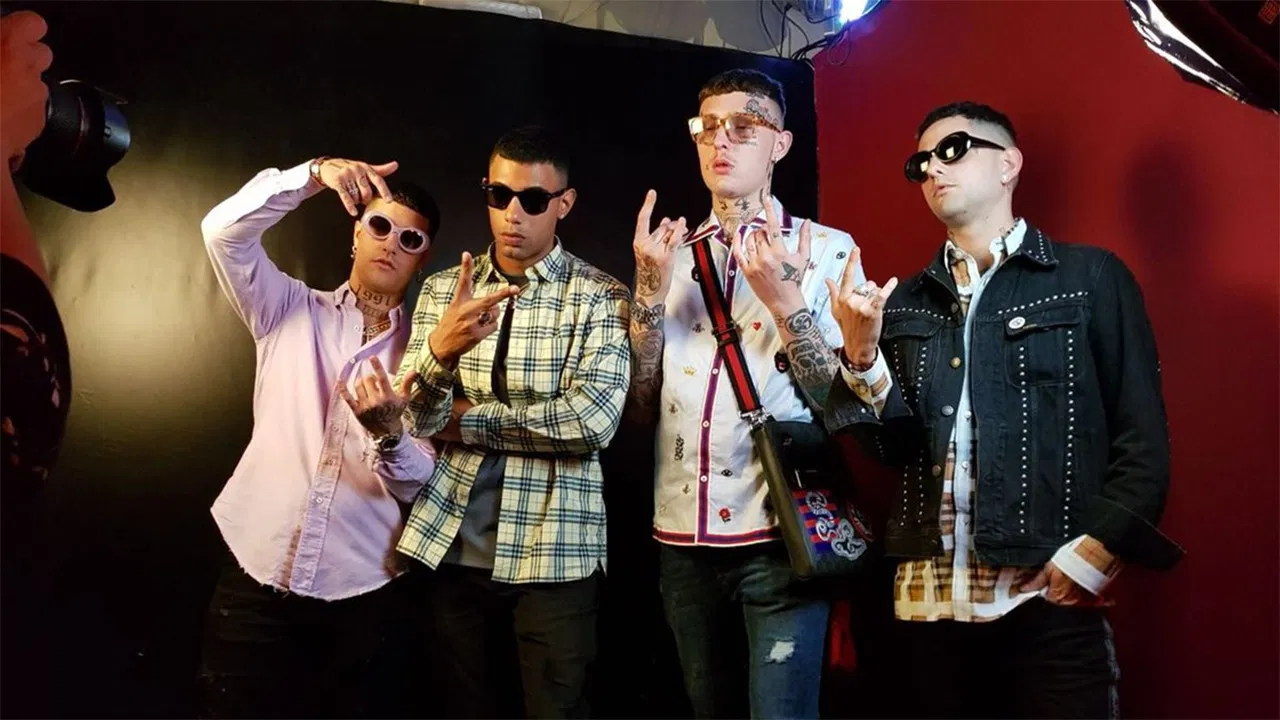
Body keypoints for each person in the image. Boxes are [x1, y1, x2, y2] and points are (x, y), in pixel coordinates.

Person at [824, 101, 1182, 718]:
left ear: (1009, 164)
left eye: (953, 150)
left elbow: (1142, 437)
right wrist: (859, 355)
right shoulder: (902, 303)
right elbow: (891, 452)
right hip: (927, 611)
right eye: (920, 162)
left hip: (1045, 602)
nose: (934, 168)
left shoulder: (1089, 278)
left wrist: (1099, 550)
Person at [626, 68, 865, 718]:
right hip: (682, 537)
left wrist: (787, 306)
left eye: (743, 126)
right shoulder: (669, 255)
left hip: (781, 536)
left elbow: (843, 406)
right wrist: (647, 294)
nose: (721, 140)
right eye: (707, 128)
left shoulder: (827, 250)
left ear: (780, 144)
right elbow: (641, 404)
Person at [394, 125, 631, 718]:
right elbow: (414, 416)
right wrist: (442, 351)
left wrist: (464, 420)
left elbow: (591, 423)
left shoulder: (600, 296)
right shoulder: (444, 291)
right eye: (499, 195)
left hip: (557, 553)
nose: (512, 214)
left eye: (533, 199)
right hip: (449, 546)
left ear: (564, 204)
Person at [197, 154, 440, 718]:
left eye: (409, 239)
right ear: (356, 234)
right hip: (254, 576)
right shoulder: (286, 309)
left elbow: (421, 485)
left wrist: (391, 435)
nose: (390, 244)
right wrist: (312, 175)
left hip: (362, 594)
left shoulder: (429, 355)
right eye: (379, 226)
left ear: (423, 259)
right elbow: (221, 232)